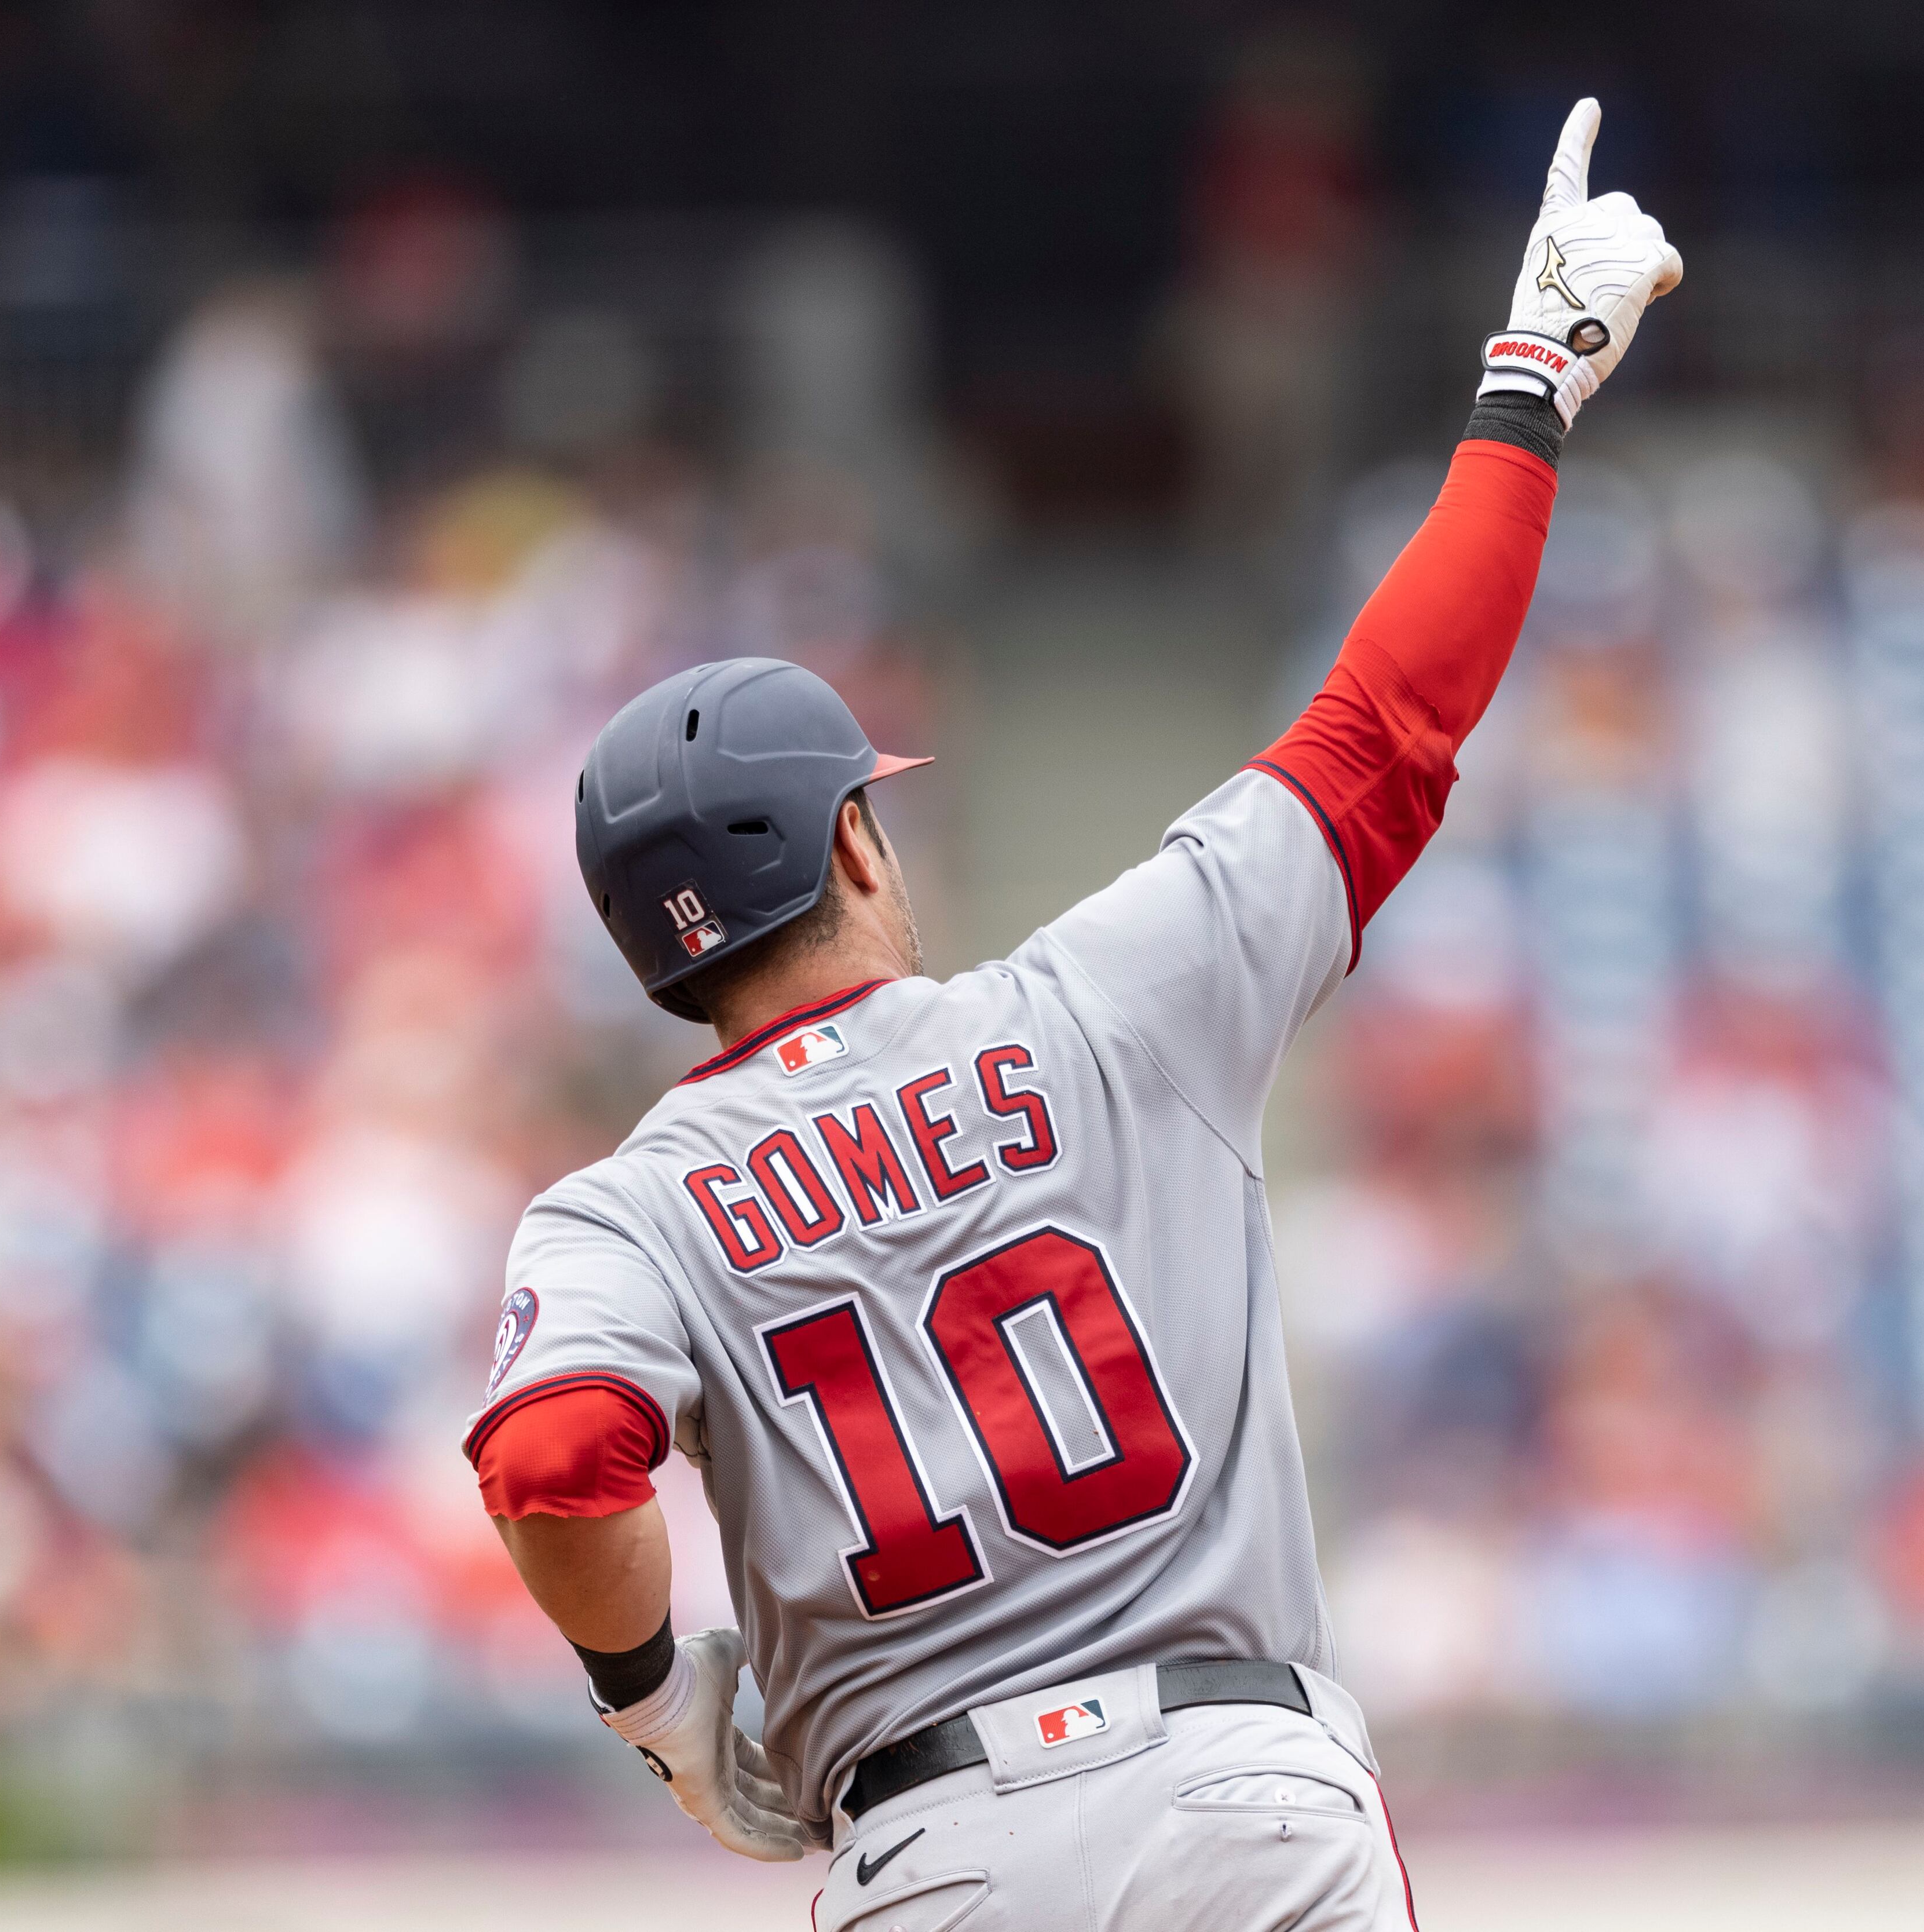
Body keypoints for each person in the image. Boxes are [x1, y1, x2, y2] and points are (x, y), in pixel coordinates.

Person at [466, 100, 1680, 1929]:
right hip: (1241, 1793)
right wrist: (1531, 381)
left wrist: (656, 1705)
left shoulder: (625, 1212)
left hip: (939, 1851)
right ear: (859, 840)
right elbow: (1388, 726)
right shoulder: (1115, 1000)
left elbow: (557, 1462)